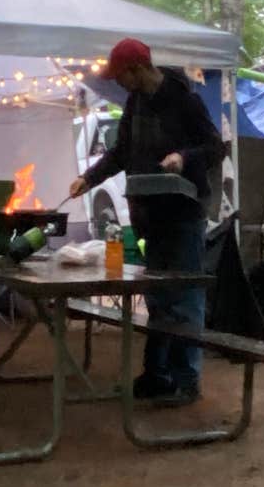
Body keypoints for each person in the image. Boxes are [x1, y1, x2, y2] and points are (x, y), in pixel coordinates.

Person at [68, 38, 224, 406]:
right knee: (158, 299)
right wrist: (89, 178)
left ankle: (187, 381)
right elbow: (121, 152)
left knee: (184, 297)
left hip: (184, 215)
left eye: (119, 75)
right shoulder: (135, 103)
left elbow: (215, 148)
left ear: (136, 69)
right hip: (149, 216)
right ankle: (157, 375)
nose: (116, 82)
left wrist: (183, 157)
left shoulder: (185, 99)